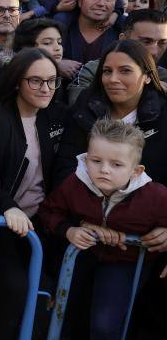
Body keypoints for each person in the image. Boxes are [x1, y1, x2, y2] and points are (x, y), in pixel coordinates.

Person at [40, 118, 167, 340]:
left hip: (125, 262)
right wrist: (68, 230)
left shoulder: (155, 196)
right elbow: (49, 211)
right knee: (62, 312)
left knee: (105, 325)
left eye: (116, 165)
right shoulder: (75, 183)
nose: (104, 170)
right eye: (96, 160)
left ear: (136, 171)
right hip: (81, 255)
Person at [0, 48, 67, 338]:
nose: (46, 89)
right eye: (36, 81)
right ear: (17, 81)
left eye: (52, 81)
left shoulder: (58, 117)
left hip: (41, 223)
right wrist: (7, 206)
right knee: (12, 289)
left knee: (42, 294)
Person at [54, 39, 167, 186]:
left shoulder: (163, 112)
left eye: (125, 71)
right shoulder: (85, 105)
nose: (113, 79)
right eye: (107, 71)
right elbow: (66, 166)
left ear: (147, 76)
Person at [67, 9, 167, 105]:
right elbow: (78, 109)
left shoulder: (164, 77)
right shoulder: (93, 70)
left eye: (162, 43)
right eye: (146, 41)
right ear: (123, 39)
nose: (154, 51)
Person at [62, 0, 120, 65]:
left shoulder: (123, 30)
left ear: (115, 2)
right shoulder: (61, 26)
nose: (101, 3)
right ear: (80, 1)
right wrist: (55, 63)